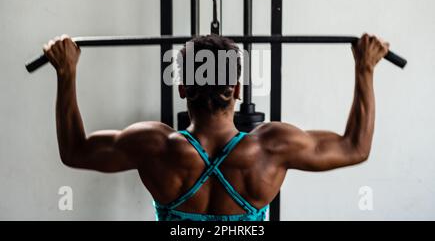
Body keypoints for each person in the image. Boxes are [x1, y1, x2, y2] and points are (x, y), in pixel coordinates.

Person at [43, 33, 389, 221]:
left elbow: (75, 150)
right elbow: (355, 147)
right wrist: (365, 69)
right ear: (237, 90)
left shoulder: (153, 145)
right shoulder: (272, 146)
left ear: (182, 89)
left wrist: (66, 73)